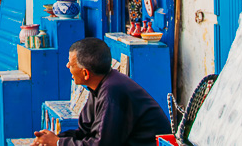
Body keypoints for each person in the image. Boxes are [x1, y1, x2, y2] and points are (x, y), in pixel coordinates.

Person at [32, 37, 171, 146]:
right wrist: (49, 139)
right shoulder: (98, 85)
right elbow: (85, 132)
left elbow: (102, 144)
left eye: (71, 64)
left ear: (86, 73)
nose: (67, 66)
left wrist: (57, 143)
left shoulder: (112, 92)